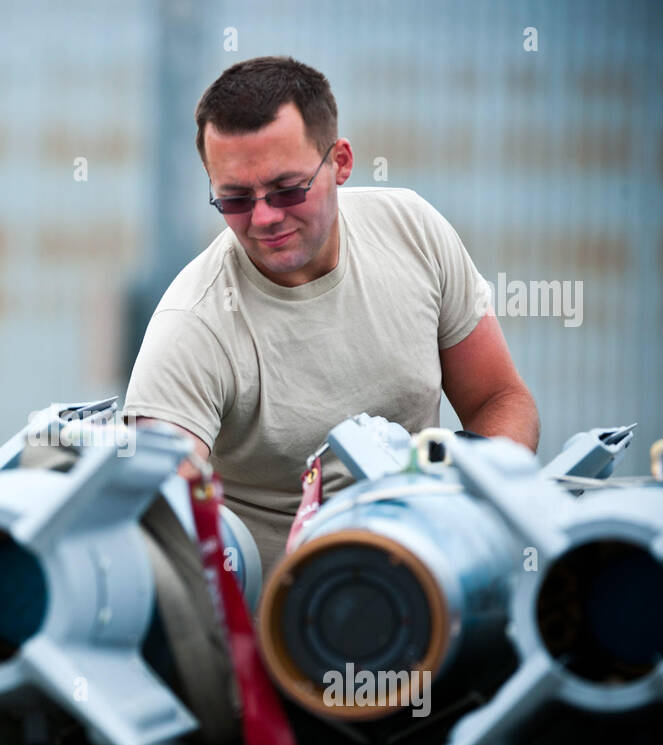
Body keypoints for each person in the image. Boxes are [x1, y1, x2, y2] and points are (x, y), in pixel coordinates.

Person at [123, 55, 539, 577]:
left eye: (287, 189)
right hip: (280, 636)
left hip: (436, 596)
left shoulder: (414, 233)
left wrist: (465, 496)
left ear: (340, 162)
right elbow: (160, 515)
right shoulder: (194, 323)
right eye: (234, 199)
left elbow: (501, 398)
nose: (264, 218)